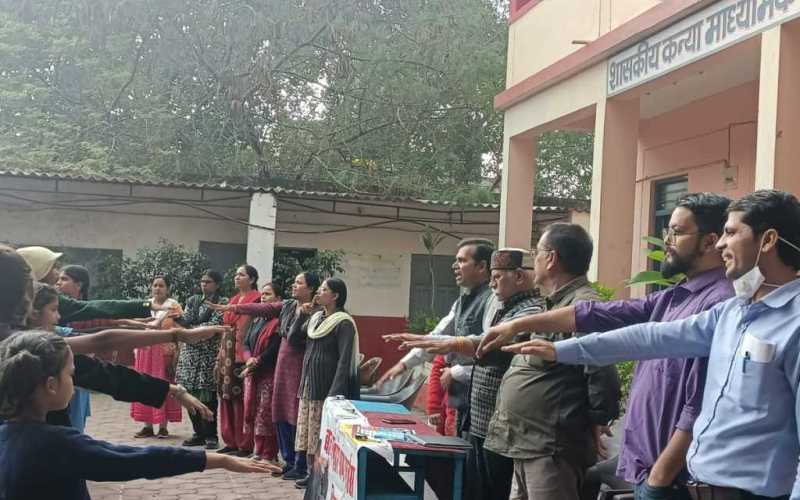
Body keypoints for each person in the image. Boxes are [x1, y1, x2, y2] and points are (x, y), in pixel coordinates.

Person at [506, 190, 800, 500]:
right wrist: (560, 351)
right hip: (698, 487)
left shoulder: (791, 324)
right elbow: (651, 337)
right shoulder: (732, 312)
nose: (721, 244)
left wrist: (659, 478)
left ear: (768, 240)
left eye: (731, 232)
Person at [0, 331, 281, 500]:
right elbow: (134, 460)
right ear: (51, 385)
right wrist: (219, 460)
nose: (75, 382)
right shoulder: (56, 444)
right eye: (71, 374)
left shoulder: (8, 436)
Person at [465, 224, 619, 500]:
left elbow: (602, 367)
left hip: (552, 446)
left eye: (537, 252)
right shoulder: (553, 304)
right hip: (529, 443)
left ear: (551, 258)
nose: (532, 259)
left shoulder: (583, 307)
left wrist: (597, 419)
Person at [0, 244, 217, 428]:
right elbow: (101, 342)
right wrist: (177, 335)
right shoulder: (25, 347)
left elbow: (100, 358)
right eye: (54, 309)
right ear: (28, 301)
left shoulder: (24, 343)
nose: (58, 316)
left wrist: (170, 387)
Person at [397, 248, 546, 500]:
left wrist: (450, 344)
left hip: (505, 426)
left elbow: (490, 343)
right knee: (475, 486)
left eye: (497, 277)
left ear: (519, 277)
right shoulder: (502, 307)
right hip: (482, 419)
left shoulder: (531, 311)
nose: (492, 284)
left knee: (495, 489)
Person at [208, 272, 321, 480]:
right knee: (279, 413)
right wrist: (233, 308)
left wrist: (303, 315)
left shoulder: (316, 312)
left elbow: (293, 338)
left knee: (295, 415)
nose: (294, 285)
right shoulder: (288, 305)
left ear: (311, 288)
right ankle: (289, 461)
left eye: (299, 282)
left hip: (299, 369)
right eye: (294, 281)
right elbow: (261, 308)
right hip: (281, 369)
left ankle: (299, 463)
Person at [380, 238, 496, 433]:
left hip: (481, 404)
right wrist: (404, 364)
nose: (454, 266)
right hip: (459, 400)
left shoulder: (492, 301)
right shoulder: (462, 302)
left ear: (482, 266)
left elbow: (492, 352)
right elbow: (438, 335)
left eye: (462, 261)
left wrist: (456, 371)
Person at [289, 277, 359, 489]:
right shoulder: (316, 318)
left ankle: (321, 478)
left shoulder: (343, 323)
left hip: (325, 390)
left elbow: (344, 361)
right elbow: (293, 339)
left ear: (335, 296)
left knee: (321, 435)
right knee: (308, 435)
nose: (318, 293)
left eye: (323, 290)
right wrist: (302, 315)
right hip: (308, 385)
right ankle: (311, 474)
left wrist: (333, 394)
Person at [175, 269, 227, 449]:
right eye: (202, 281)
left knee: (207, 396)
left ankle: (211, 435)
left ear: (217, 285)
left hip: (208, 356)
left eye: (208, 282)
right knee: (189, 394)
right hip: (189, 355)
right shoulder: (193, 300)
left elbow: (213, 327)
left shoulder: (222, 303)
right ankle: (198, 433)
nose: (204, 284)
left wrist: (192, 330)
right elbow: (184, 321)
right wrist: (193, 329)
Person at [130, 275, 183, 439]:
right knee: (145, 385)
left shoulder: (174, 306)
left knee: (164, 386)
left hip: (164, 352)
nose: (157, 288)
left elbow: (180, 330)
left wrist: (176, 354)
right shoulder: (146, 305)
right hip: (145, 352)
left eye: (161, 285)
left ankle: (163, 427)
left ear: (168, 288)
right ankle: (147, 426)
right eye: (155, 285)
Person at [216, 264, 261, 456]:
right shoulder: (233, 300)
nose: (236, 277)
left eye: (241, 275)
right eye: (236, 274)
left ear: (252, 279)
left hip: (243, 355)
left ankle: (245, 443)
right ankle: (230, 441)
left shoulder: (257, 300)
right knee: (226, 397)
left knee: (242, 401)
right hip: (226, 354)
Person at [241, 282, 282, 464]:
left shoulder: (279, 322)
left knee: (266, 414)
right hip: (253, 373)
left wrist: (256, 361)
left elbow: (274, 349)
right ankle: (257, 450)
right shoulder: (257, 320)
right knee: (254, 411)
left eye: (268, 294)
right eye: (263, 295)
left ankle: (269, 453)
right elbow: (245, 343)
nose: (263, 298)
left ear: (278, 299)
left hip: (268, 374)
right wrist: (248, 358)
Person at [58, 265, 127, 364]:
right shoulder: (54, 311)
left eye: (64, 279)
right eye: (58, 279)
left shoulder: (93, 313)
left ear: (79, 285)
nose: (58, 283)